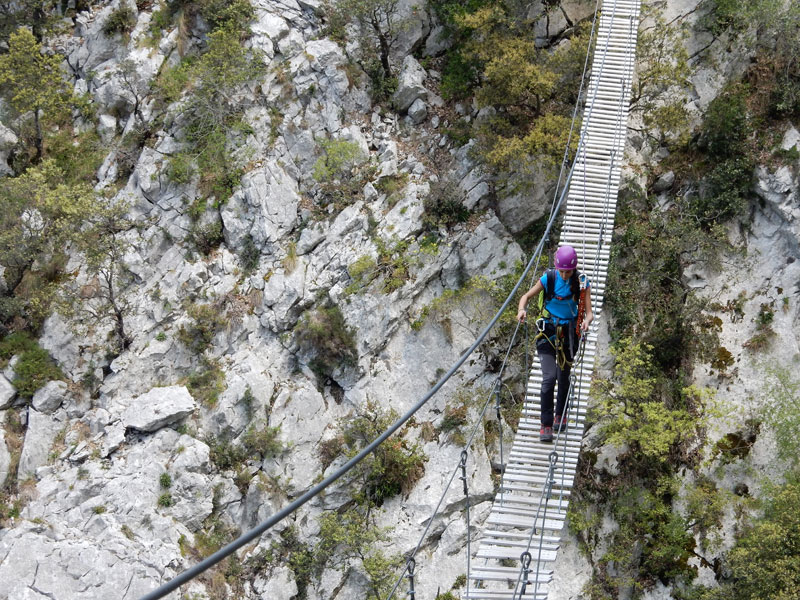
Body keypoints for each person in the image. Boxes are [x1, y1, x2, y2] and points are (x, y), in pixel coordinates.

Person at [516, 245, 593, 442]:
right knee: (549, 378)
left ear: (574, 269)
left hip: (569, 334)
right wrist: (521, 310)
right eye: (562, 271)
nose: (565, 275)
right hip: (547, 332)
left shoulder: (582, 282)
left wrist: (586, 321)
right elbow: (525, 296)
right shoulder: (548, 279)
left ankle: (561, 413)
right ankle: (546, 424)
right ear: (557, 268)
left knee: (564, 376)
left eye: (568, 271)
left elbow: (589, 312)